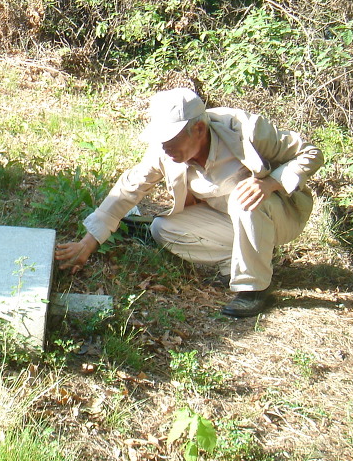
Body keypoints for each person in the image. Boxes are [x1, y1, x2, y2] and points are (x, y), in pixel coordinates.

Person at [54, 88, 322, 318]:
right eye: (161, 140)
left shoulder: (244, 129)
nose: (165, 147)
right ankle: (242, 261)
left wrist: (269, 183)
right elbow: (129, 188)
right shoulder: (164, 151)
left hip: (277, 215)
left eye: (171, 139)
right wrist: (87, 243)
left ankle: (254, 289)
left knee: (244, 198)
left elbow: (311, 154)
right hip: (227, 219)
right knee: (162, 228)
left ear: (199, 129)